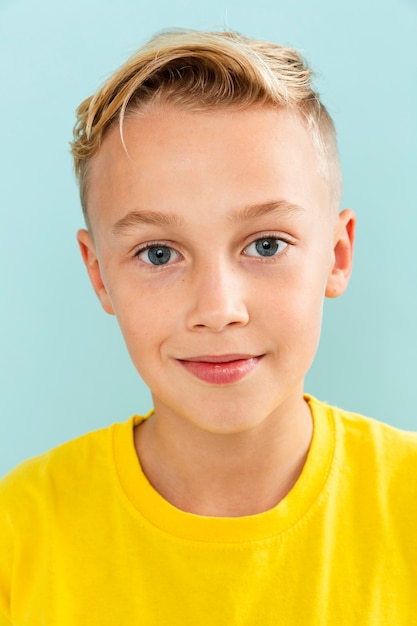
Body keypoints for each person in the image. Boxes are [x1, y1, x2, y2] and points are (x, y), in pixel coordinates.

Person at [0, 29, 416, 625]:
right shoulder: (19, 530)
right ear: (99, 275)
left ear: (337, 254)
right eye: (159, 254)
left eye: (266, 244)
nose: (218, 308)